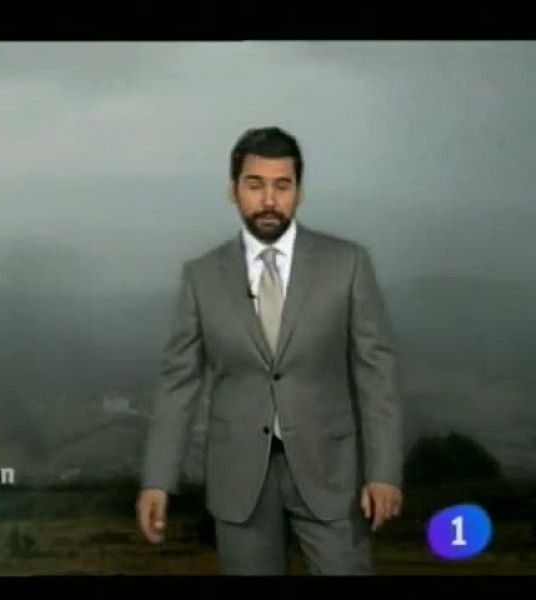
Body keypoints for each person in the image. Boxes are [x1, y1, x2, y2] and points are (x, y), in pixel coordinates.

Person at [135, 126, 404, 575]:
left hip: (331, 472)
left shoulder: (348, 264)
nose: (268, 200)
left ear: (299, 191)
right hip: (239, 479)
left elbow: (377, 374)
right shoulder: (201, 276)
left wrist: (384, 472)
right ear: (233, 190)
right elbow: (177, 383)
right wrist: (157, 480)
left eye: (282, 185)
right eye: (254, 184)